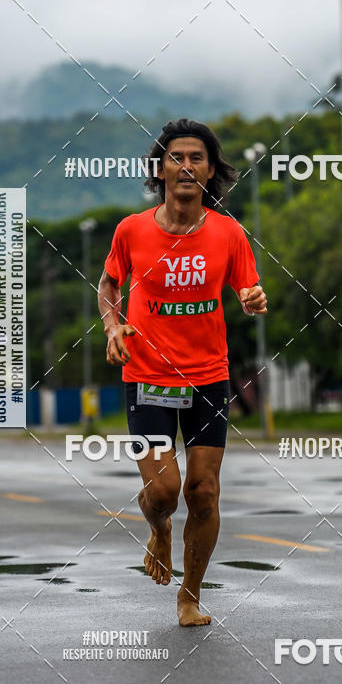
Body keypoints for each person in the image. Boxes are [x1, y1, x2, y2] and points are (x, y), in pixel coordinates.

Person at [98, 118, 267, 626]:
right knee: (164, 493)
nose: (187, 166)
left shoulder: (228, 232)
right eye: (177, 157)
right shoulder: (131, 231)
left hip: (208, 379)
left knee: (204, 492)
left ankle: (190, 595)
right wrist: (112, 327)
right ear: (161, 169)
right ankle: (158, 528)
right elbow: (107, 288)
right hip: (146, 377)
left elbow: (248, 290)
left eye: (197, 158)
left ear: (211, 170)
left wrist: (253, 298)